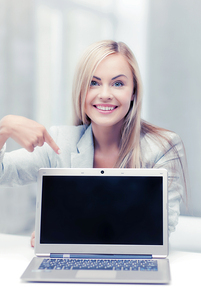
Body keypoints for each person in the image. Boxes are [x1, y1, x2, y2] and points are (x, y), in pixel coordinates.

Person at [0, 40, 187, 247]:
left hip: (132, 268)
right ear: (81, 90)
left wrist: (65, 232)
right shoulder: (60, 143)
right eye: (94, 82)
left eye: (118, 84)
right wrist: (3, 129)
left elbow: (160, 230)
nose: (105, 94)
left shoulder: (163, 147)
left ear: (133, 92)